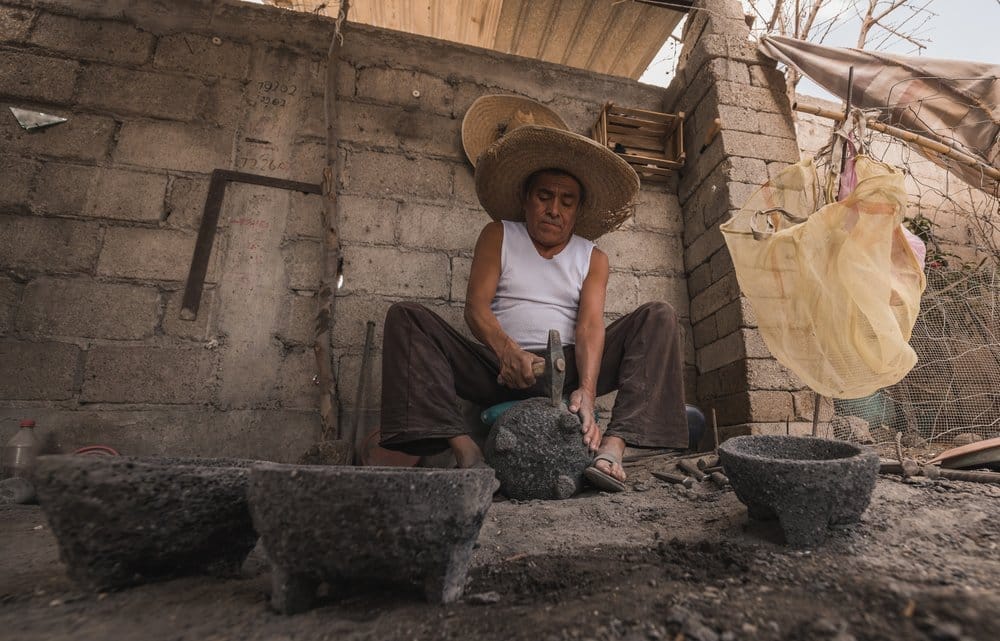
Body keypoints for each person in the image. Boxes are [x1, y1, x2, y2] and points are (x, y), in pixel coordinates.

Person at [379, 96, 688, 492]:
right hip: (499, 366)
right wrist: (506, 350)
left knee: (658, 317)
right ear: (526, 199)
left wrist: (587, 391)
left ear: (577, 211)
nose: (554, 209)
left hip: (567, 366)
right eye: (544, 196)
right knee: (407, 318)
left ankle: (613, 446)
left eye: (566, 202)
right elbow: (476, 308)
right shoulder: (499, 234)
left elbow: (590, 325)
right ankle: (466, 452)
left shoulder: (592, 257)